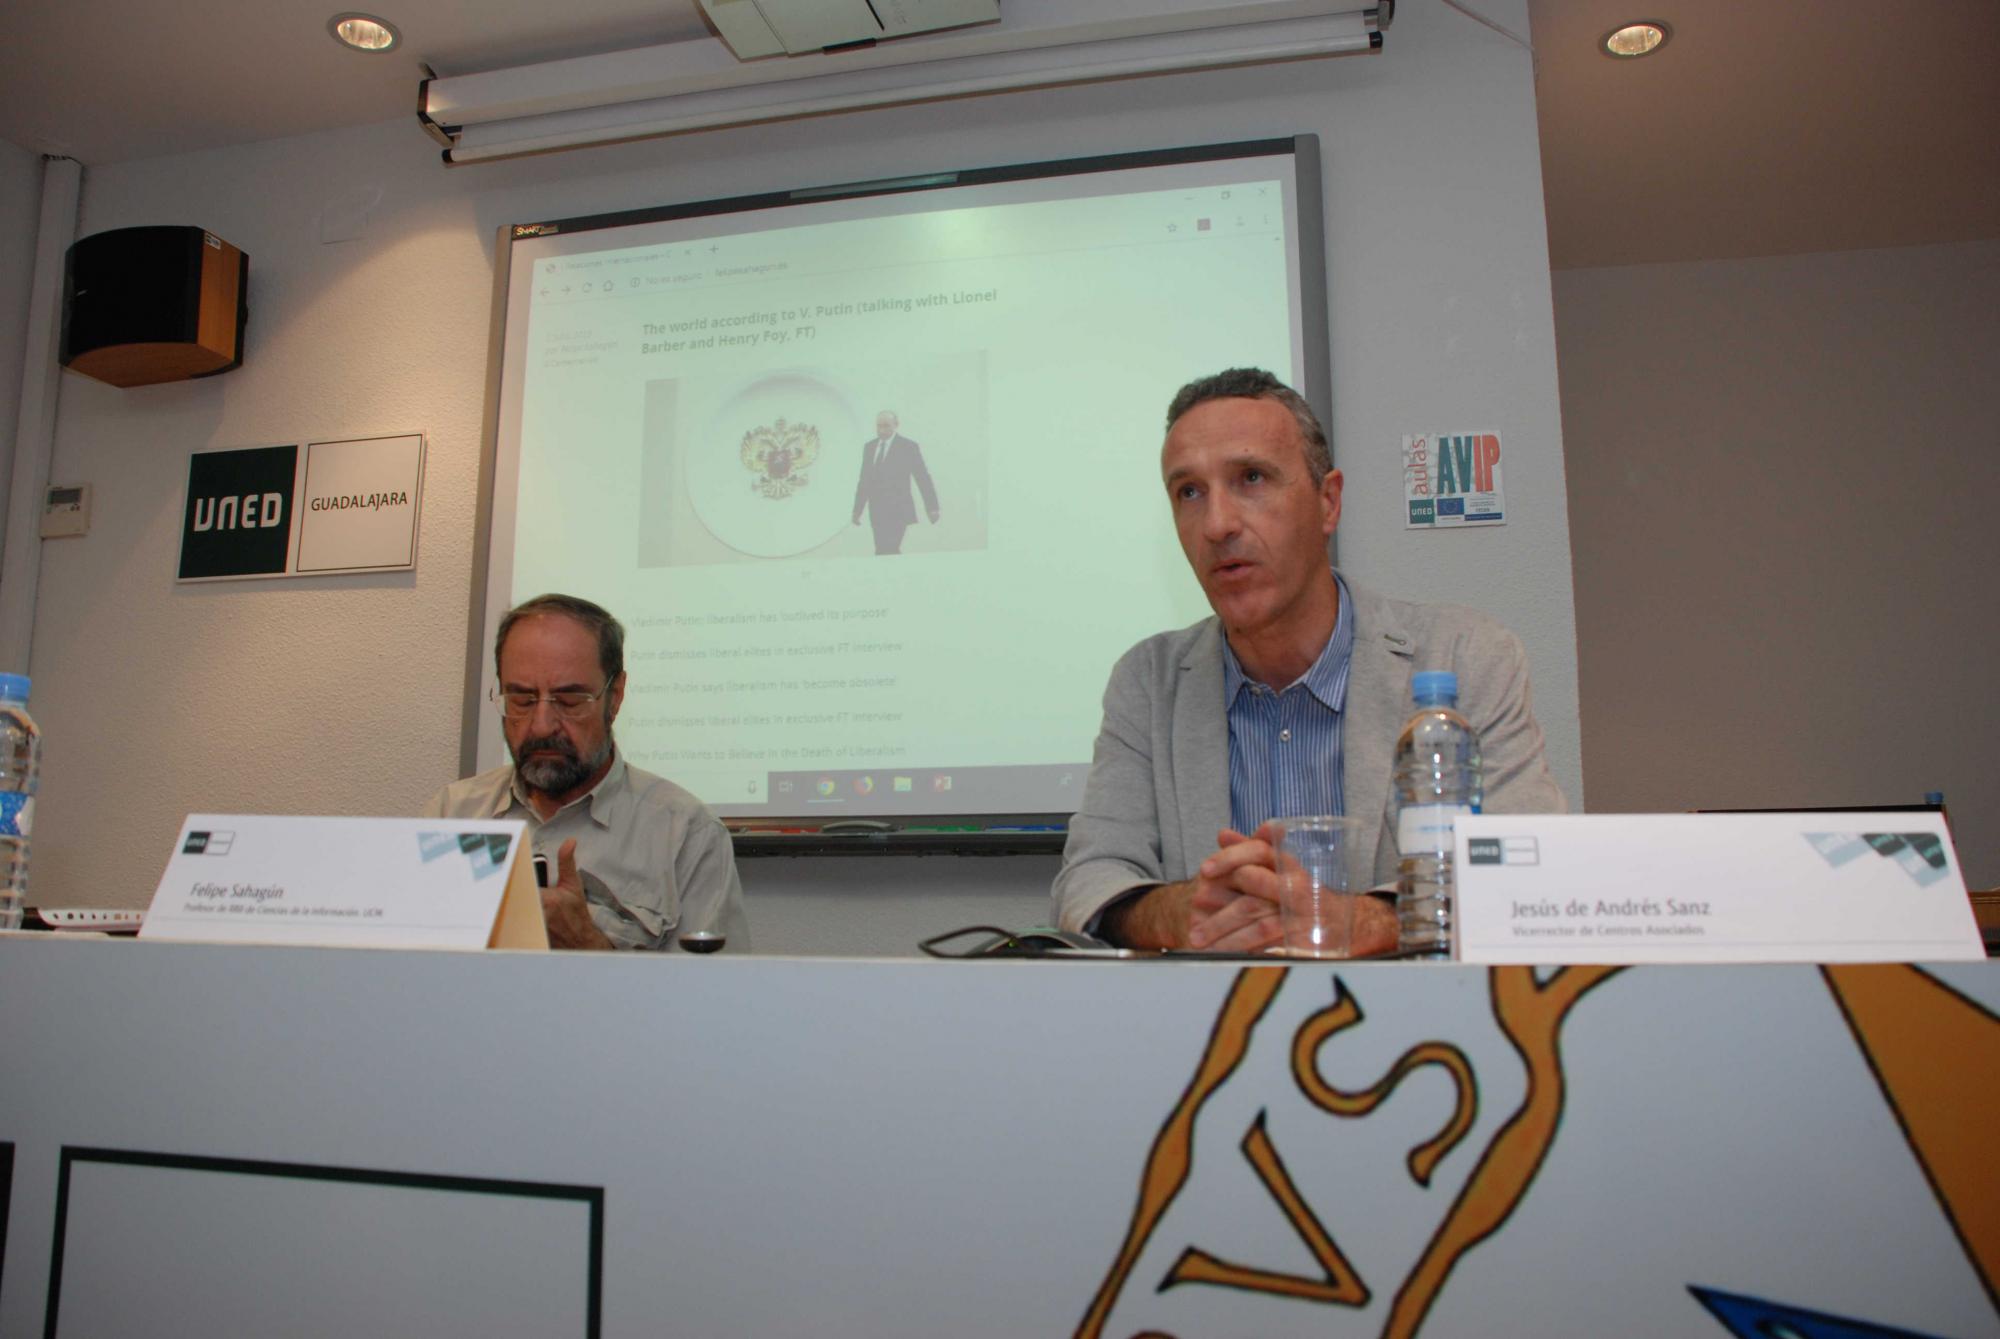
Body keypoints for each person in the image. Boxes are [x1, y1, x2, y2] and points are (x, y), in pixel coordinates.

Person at [1052, 369, 1564, 953]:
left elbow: (1530, 867)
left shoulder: (1466, 655)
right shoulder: (1148, 681)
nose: (1217, 525)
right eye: (1189, 492)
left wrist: (1356, 921)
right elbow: (1088, 880)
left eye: (1251, 478)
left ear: (1328, 501)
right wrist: (1183, 912)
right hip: (1218, 1011)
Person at [424, 593, 748, 952]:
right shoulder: (453, 814)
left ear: (616, 696)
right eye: (522, 700)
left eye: (569, 701)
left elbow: (714, 988)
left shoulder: (687, 834)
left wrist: (589, 946)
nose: (542, 725)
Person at [851, 410, 940, 555]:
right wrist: (857, 510)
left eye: (886, 426)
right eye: (879, 426)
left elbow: (922, 478)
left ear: (896, 425)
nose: (882, 430)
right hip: (876, 510)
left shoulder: (908, 447)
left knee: (889, 549)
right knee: (882, 550)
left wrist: (932, 507)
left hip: (899, 509)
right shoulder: (869, 447)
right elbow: (864, 481)